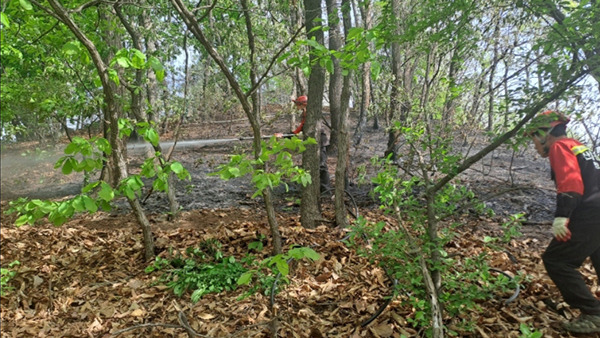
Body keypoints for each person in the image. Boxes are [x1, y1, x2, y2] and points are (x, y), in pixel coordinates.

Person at [525, 110, 600, 334]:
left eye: (534, 140)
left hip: (591, 212)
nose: (535, 147)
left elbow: (571, 182)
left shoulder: (560, 146)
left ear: (543, 135)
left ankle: (593, 313)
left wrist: (562, 216)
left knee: (557, 260)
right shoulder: (579, 146)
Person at [276, 95, 331, 193]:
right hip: (312, 143)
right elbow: (299, 129)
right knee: (314, 165)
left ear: (303, 104)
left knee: (322, 166)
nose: (296, 106)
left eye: (297, 104)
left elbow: (300, 129)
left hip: (321, 141)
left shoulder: (312, 114)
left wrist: (285, 135)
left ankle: (326, 190)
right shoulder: (305, 115)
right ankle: (316, 188)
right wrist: (284, 135)